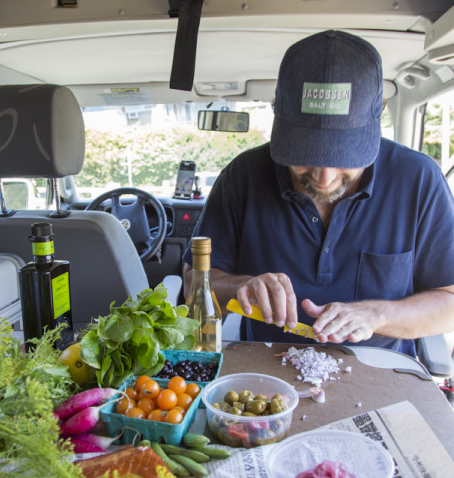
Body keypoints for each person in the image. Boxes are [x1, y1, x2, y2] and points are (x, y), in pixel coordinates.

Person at [182, 30, 454, 356]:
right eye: (304, 155)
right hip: (265, 371)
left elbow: (449, 300)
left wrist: (377, 314)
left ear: (374, 123)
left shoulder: (419, 179)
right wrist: (241, 288)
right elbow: (195, 284)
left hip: (382, 372)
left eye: (344, 159)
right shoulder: (243, 176)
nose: (324, 179)